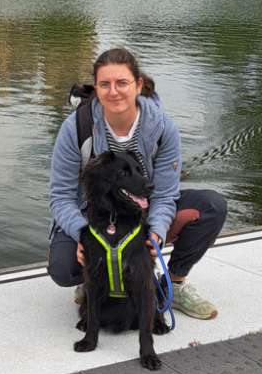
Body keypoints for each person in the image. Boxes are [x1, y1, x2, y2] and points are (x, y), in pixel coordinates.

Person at [47, 47, 227, 319]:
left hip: (143, 210)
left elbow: (166, 195)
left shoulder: (164, 129)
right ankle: (94, 279)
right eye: (105, 84)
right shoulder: (75, 128)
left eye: (122, 83)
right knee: (63, 268)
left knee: (212, 206)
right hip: (95, 217)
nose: (114, 91)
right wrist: (84, 234)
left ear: (138, 85)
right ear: (95, 88)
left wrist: (155, 232)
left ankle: (173, 284)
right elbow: (61, 197)